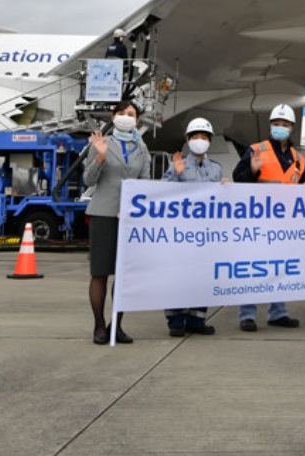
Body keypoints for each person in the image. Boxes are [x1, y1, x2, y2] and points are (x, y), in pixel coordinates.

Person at [231, 104, 304, 332]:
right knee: (253, 268)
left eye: (284, 124)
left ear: (292, 127)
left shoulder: (299, 159)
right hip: (257, 221)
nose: (280, 128)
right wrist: (252, 171)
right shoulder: (256, 150)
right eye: (276, 124)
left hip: (283, 224)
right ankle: (248, 315)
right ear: (270, 125)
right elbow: (238, 180)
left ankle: (278, 313)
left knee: (280, 268)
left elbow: (299, 188)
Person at [83, 101, 151, 345]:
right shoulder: (103, 142)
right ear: (113, 117)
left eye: (131, 114)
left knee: (124, 275)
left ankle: (116, 326)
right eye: (121, 113)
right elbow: (87, 179)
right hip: (103, 213)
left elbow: (144, 183)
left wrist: (133, 209)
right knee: (100, 272)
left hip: (129, 217)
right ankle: (99, 326)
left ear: (137, 121)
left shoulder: (141, 148)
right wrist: (99, 156)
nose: (126, 117)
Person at [162, 117, 226, 337]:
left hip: (207, 233)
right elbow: (162, 196)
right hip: (182, 232)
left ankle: (197, 318)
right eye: (196, 137)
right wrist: (175, 174)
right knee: (179, 275)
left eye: (204, 137)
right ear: (188, 140)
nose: (200, 141)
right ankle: (176, 320)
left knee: (203, 274)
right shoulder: (177, 165)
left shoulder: (216, 169)